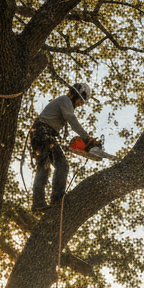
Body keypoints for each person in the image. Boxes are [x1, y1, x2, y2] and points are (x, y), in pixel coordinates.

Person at [29, 82, 97, 213]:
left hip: (45, 135)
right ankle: (51, 202)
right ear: (75, 95)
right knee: (52, 165)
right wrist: (86, 138)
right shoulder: (65, 100)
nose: (80, 104)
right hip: (42, 133)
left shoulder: (65, 104)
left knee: (54, 166)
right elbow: (71, 118)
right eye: (80, 101)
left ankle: (47, 203)